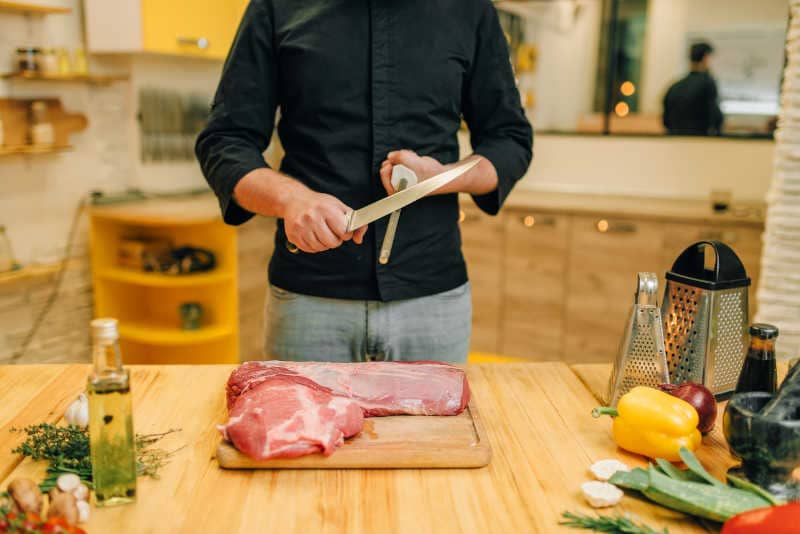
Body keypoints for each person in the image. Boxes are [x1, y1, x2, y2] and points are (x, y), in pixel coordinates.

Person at [196, 1, 533, 363]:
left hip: (431, 305)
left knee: (434, 423)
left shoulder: (469, 10)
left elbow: (509, 139)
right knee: (303, 422)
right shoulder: (276, 6)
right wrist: (291, 199)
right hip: (309, 305)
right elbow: (225, 141)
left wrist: (439, 178)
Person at [663, 41, 724, 136]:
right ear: (706, 57)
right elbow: (715, 117)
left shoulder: (675, 86)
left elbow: (666, 120)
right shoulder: (708, 83)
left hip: (674, 140)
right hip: (698, 140)